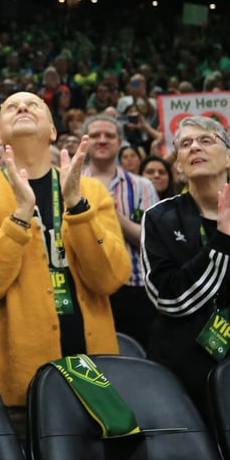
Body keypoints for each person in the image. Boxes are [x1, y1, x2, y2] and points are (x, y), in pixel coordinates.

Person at [0, 92, 130, 437]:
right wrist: (18, 218)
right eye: (10, 107)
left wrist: (76, 206)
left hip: (94, 378)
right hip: (14, 389)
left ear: (51, 131)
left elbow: (110, 279)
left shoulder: (90, 189)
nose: (22, 108)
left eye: (34, 104)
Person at [141, 116, 230, 411]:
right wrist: (223, 240)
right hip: (183, 383)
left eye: (206, 140)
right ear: (178, 165)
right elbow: (170, 299)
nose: (194, 148)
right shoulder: (160, 217)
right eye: (185, 144)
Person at [81, 114, 160, 347]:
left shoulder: (142, 186)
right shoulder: (69, 183)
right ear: (85, 141)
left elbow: (152, 242)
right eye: (95, 135)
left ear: (119, 142)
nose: (102, 140)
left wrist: (115, 216)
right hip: (84, 288)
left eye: (109, 136)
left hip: (133, 288)